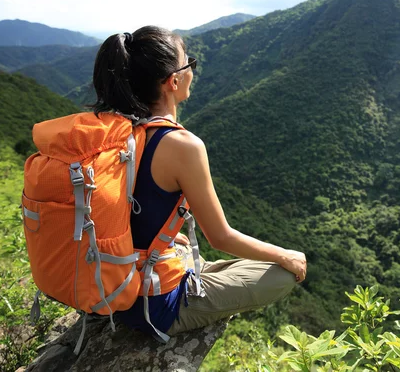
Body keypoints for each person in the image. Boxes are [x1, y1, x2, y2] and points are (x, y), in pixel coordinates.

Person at [90, 26, 307, 338]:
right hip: (153, 305)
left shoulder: (114, 132)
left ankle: (187, 269)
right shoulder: (182, 145)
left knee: (191, 251)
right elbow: (220, 237)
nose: (192, 70)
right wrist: (286, 255)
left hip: (111, 281)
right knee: (282, 275)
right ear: (173, 81)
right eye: (187, 63)